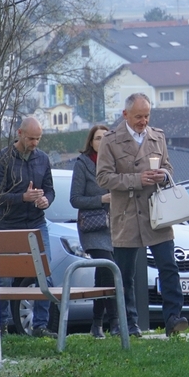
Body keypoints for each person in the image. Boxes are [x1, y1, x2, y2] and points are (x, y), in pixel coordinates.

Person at [97, 93, 189, 338]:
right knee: (125, 274)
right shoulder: (110, 140)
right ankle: (128, 323)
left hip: (156, 212)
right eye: (138, 116)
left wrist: (163, 175)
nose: (143, 121)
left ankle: (173, 318)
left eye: (147, 116)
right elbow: (103, 177)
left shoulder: (157, 137)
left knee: (168, 266)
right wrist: (137, 179)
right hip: (126, 215)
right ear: (125, 115)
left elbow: (168, 167)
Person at [0, 116, 57, 338]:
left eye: (38, 139)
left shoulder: (43, 159)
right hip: (8, 224)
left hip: (37, 222)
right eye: (31, 139)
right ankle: (1, 326)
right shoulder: (3, 158)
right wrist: (23, 197)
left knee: (44, 273)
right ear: (19, 134)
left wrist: (46, 200)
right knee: (4, 277)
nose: (34, 143)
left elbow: (50, 189)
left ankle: (40, 326)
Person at [69, 125, 114, 339]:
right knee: (108, 268)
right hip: (93, 227)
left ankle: (97, 324)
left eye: (106, 137)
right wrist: (100, 199)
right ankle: (114, 322)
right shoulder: (83, 164)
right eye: (98, 138)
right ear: (91, 142)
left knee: (105, 274)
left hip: (115, 226)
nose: (102, 141)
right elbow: (75, 199)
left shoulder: (115, 162)